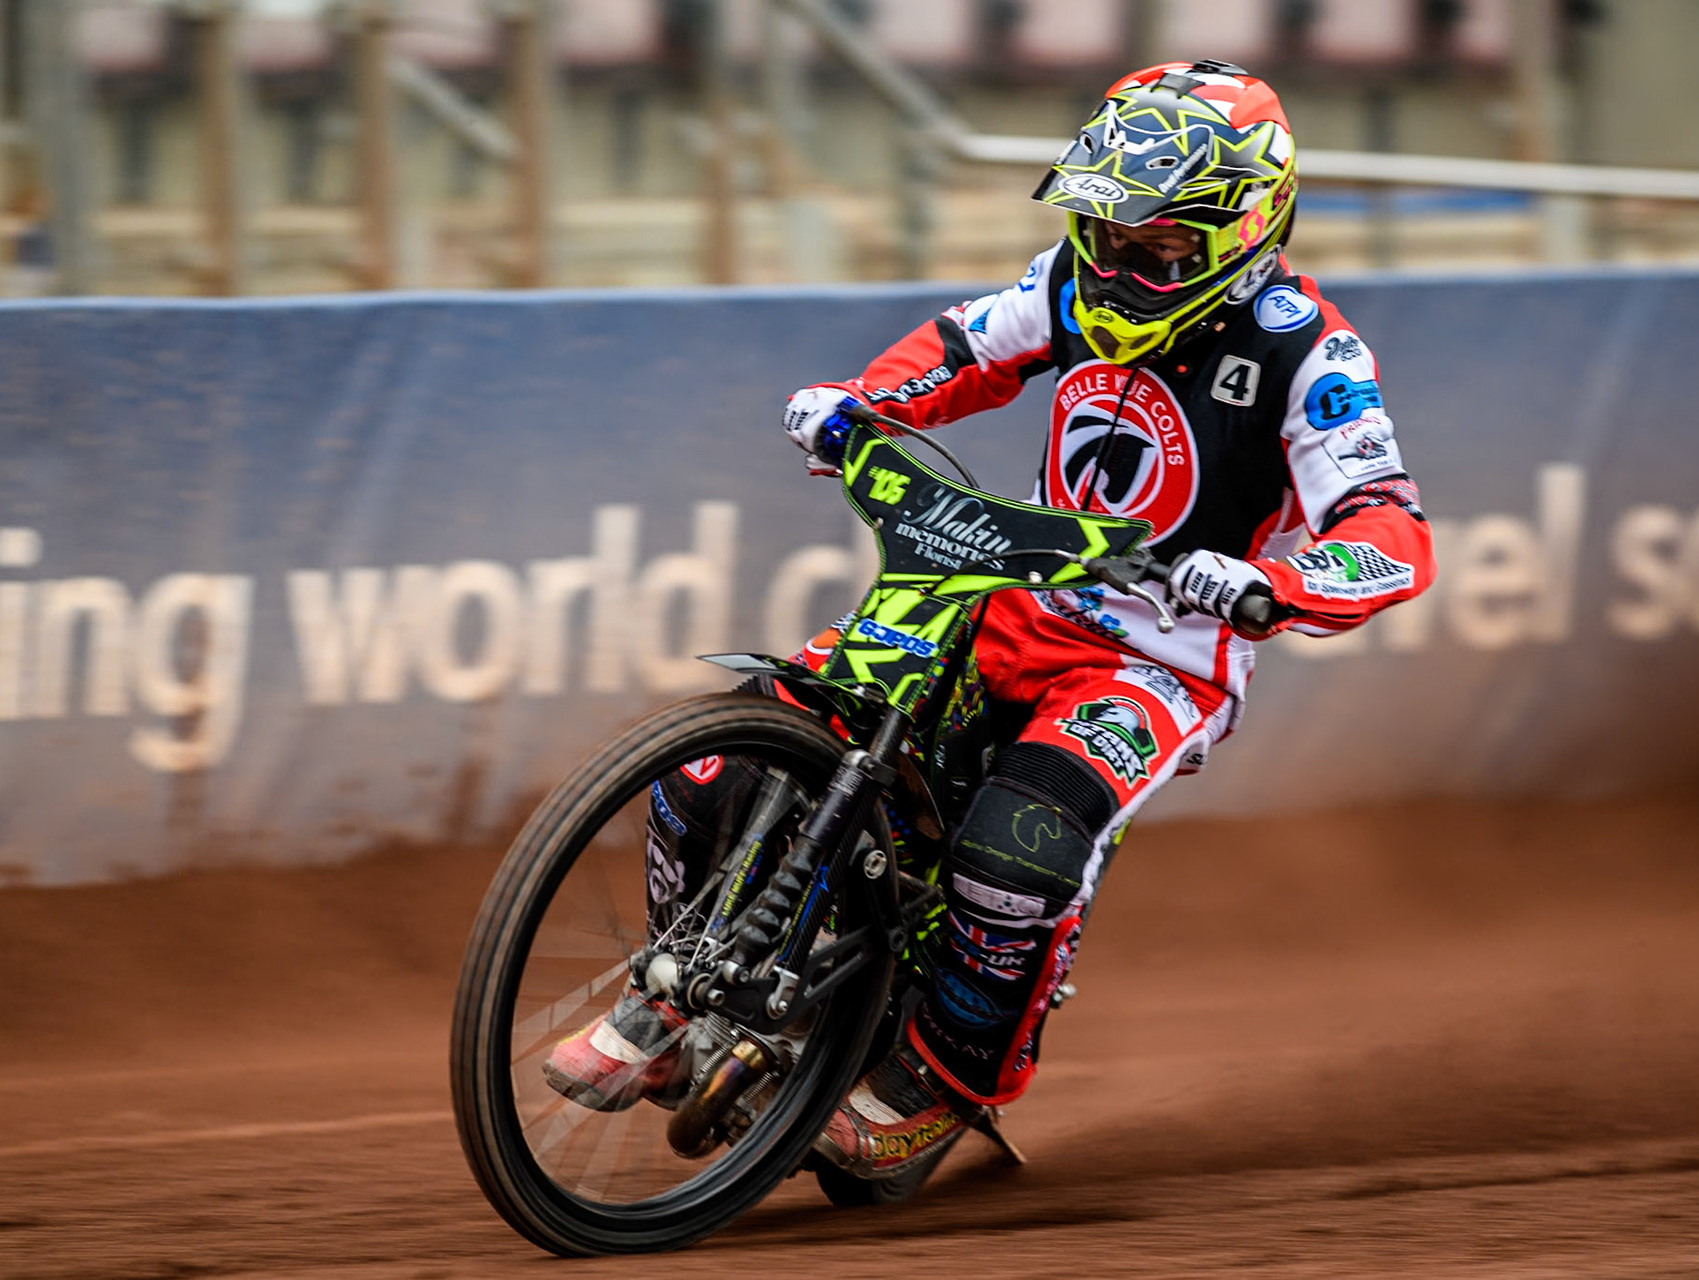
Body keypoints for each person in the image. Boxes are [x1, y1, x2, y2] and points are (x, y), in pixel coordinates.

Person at [546, 59, 1437, 1181]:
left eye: (1151, 244)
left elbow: (1390, 527)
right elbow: (966, 348)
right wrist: (858, 404)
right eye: (1103, 230)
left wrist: (1272, 587)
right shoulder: (1074, 282)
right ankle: (668, 993)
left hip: (1159, 660)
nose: (1112, 260)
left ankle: (938, 1079)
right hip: (1009, 590)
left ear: (1237, 229)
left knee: (1017, 847)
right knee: (729, 747)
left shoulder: (1312, 352)